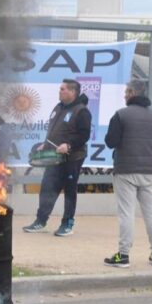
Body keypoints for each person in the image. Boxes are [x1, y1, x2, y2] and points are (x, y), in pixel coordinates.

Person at [103, 79, 152, 268]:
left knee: (126, 213)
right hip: (148, 172)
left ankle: (123, 256)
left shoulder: (121, 115)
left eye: (126, 92)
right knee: (151, 213)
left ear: (133, 93)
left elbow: (110, 141)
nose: (124, 95)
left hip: (125, 170)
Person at [23, 79, 92, 237]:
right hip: (54, 157)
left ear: (73, 92)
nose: (59, 91)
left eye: (63, 89)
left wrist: (69, 145)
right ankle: (41, 221)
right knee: (47, 186)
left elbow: (84, 135)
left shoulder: (81, 111)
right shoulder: (58, 107)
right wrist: (45, 145)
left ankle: (67, 223)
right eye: (60, 88)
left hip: (72, 157)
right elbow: (54, 132)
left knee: (69, 189)